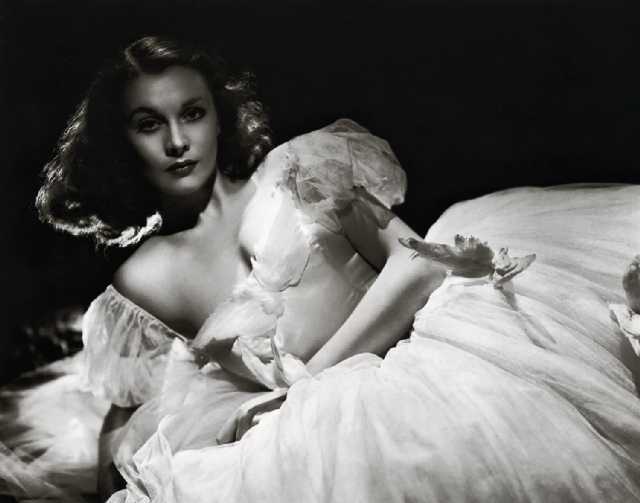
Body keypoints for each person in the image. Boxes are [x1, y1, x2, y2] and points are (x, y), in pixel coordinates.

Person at [3, 35, 640, 503]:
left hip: (429, 354)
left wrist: (303, 388)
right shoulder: (141, 280)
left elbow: (416, 266)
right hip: (308, 431)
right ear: (122, 142)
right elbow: (134, 412)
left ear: (219, 116)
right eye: (149, 125)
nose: (176, 142)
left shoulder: (299, 167)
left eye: (192, 113)